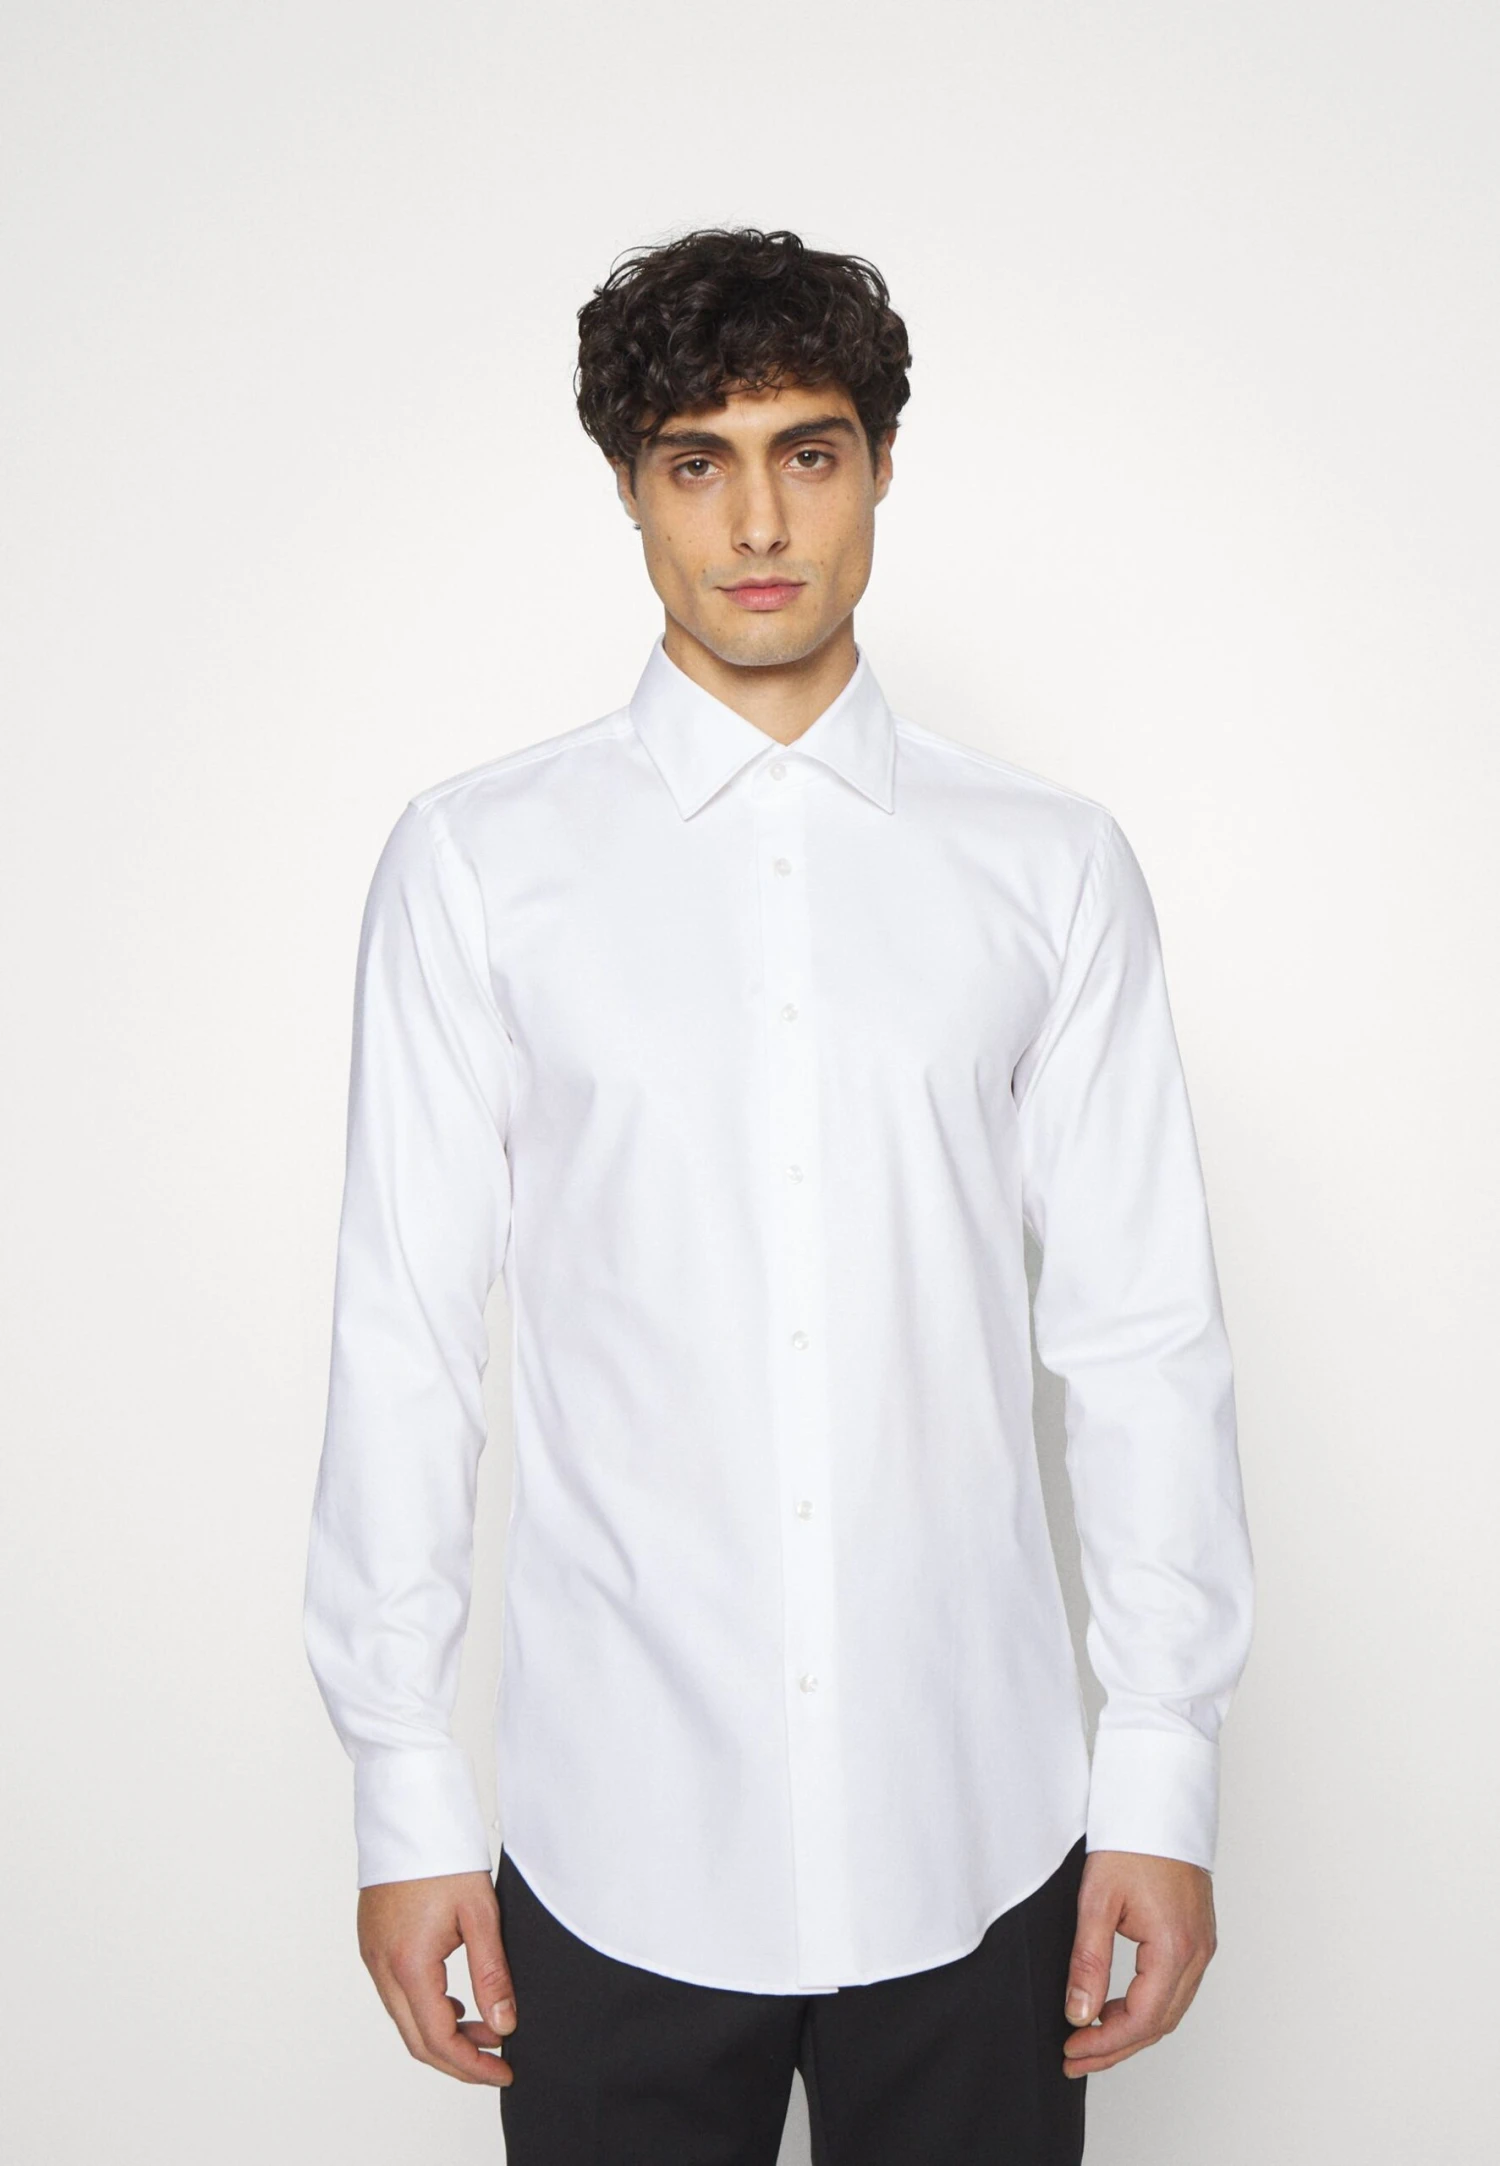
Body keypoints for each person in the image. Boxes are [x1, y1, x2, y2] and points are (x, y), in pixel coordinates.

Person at [303, 226, 1255, 2163]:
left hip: (982, 1838)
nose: (756, 521)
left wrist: (1162, 1774)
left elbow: (1143, 1334)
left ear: (880, 466)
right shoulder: (477, 866)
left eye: (807, 453)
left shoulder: (1050, 868)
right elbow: (405, 1341)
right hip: (617, 1849)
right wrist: (404, 1790)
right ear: (629, 486)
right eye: (696, 461)